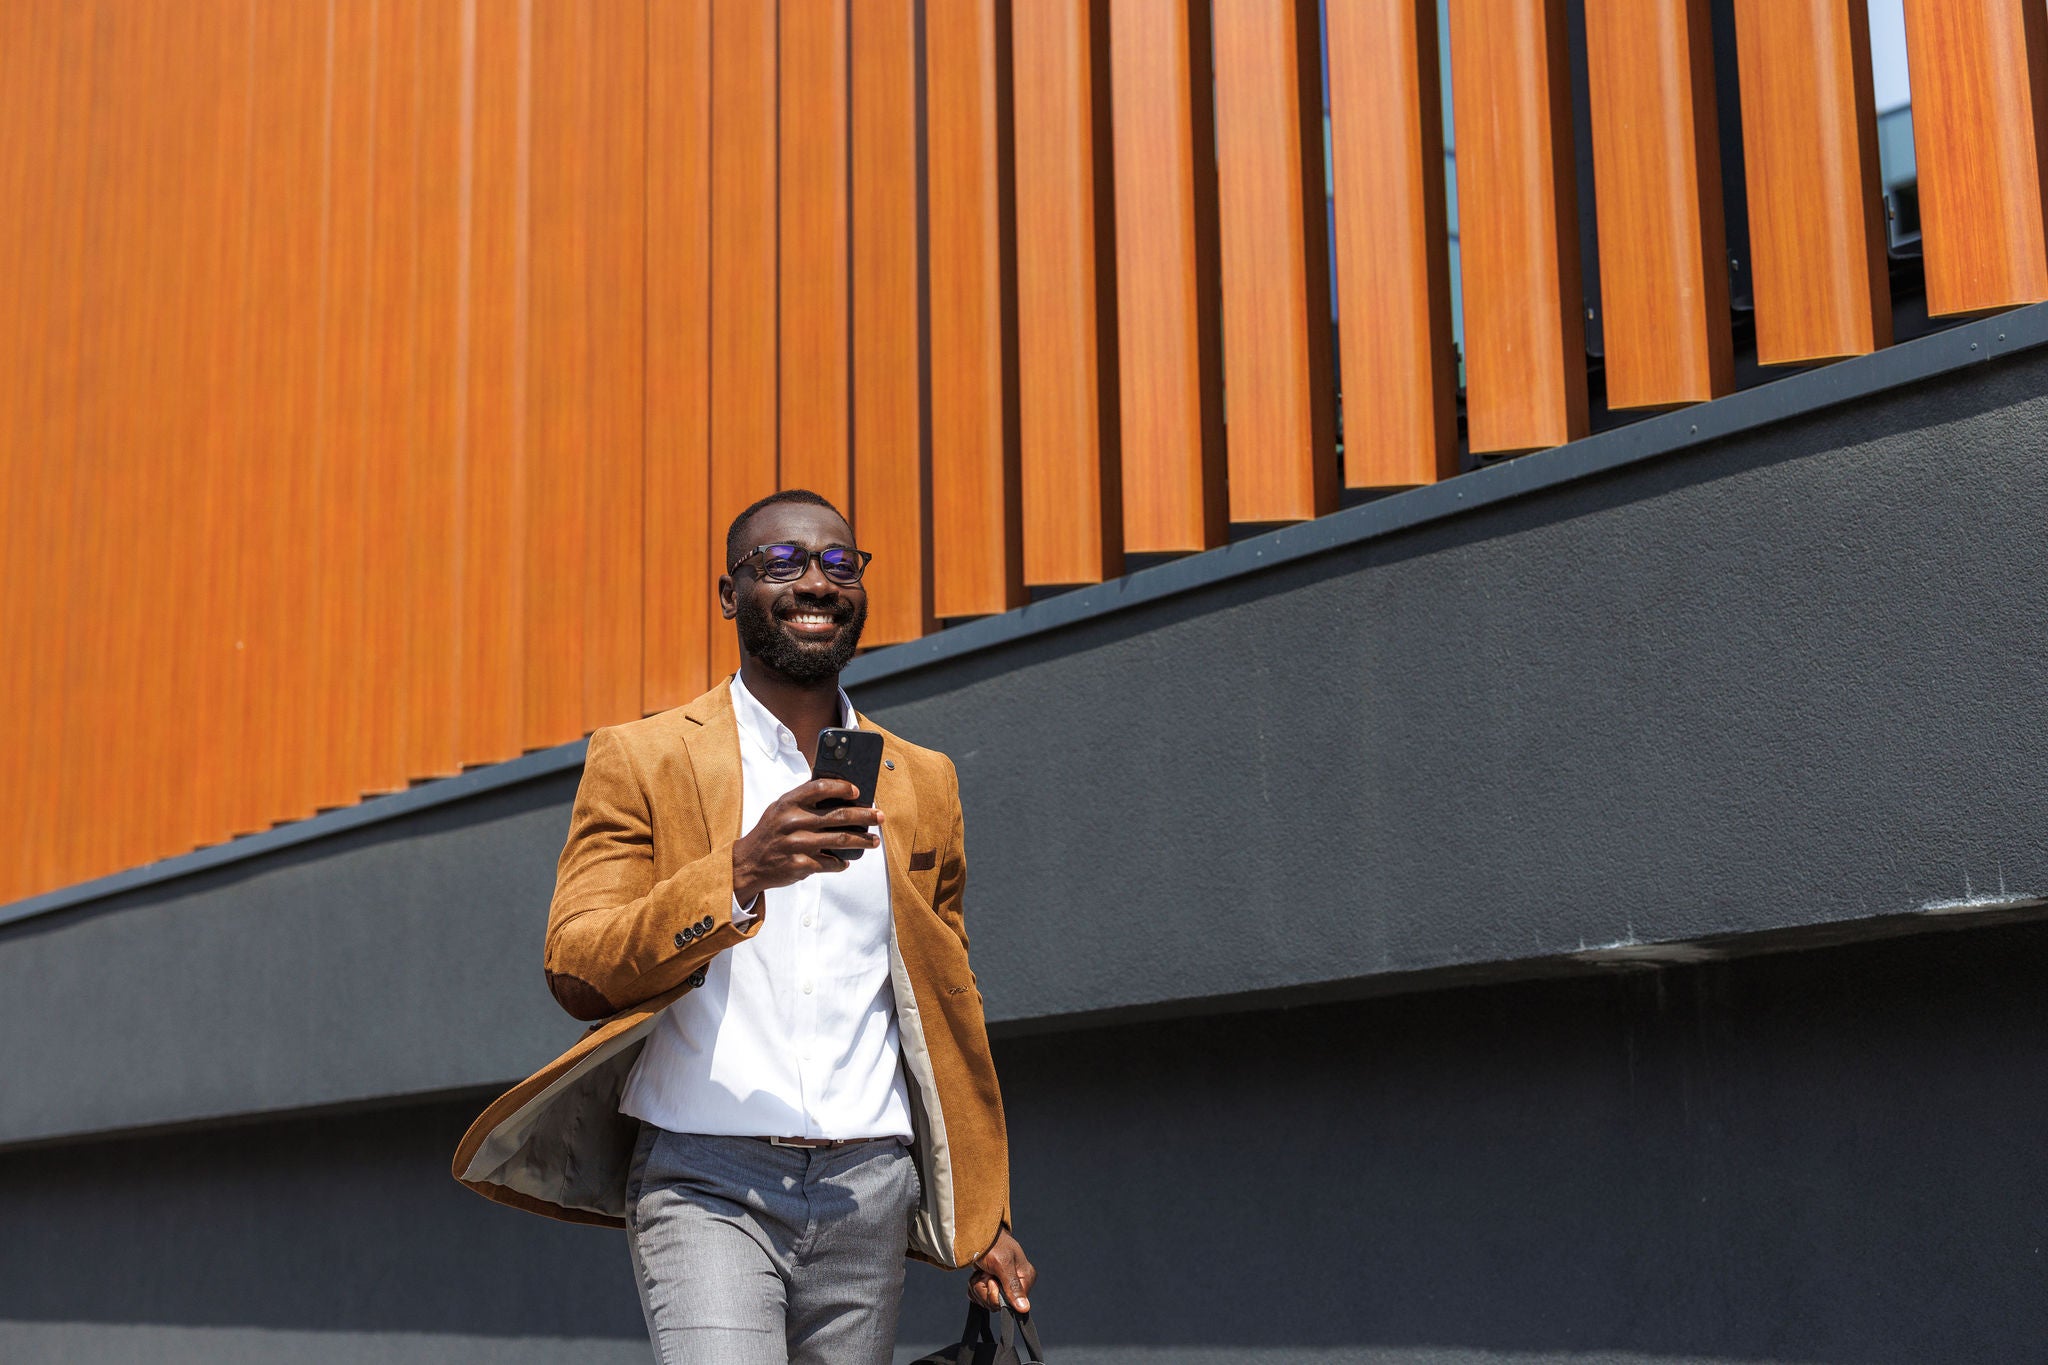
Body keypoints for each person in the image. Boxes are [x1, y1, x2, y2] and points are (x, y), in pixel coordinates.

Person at [452, 488, 1035, 1364]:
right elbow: (578, 964)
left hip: (868, 1185)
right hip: (705, 1179)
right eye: (782, 562)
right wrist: (739, 872)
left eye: (840, 563)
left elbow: (949, 1009)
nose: (816, 581)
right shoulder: (643, 758)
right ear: (729, 594)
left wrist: (985, 1213)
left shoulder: (923, 782)